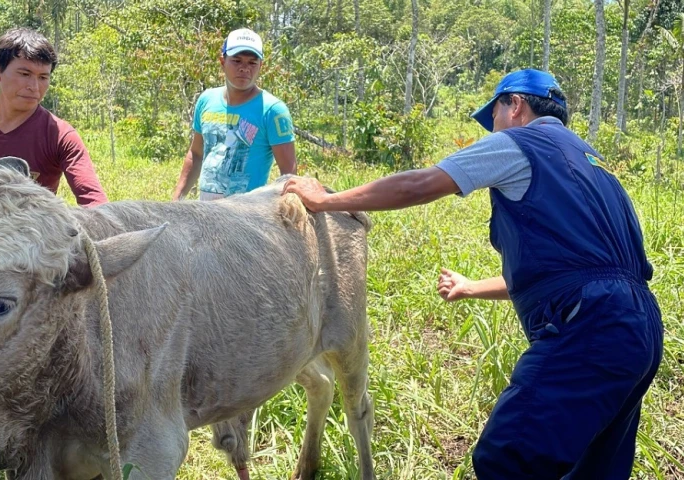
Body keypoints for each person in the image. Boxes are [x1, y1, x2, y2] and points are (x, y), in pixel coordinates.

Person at [283, 69, 663, 479]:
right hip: (639, 331)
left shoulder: (521, 141)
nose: (494, 127)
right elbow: (583, 275)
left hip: (588, 329)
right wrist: (469, 288)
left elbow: (419, 184)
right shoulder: (597, 167)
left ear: (514, 105)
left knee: (506, 459)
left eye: (494, 115)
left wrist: (326, 200)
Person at [0, 28, 108, 207]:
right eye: (25, 74)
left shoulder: (60, 135)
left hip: (32, 233)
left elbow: (95, 204)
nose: (34, 86)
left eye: (43, 77)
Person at [172, 28, 297, 201]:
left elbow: (289, 174)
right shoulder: (207, 100)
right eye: (237, 61)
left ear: (261, 65)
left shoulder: (273, 110)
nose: (244, 69)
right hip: (204, 213)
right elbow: (196, 153)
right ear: (222, 61)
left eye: (252, 63)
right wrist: (177, 199)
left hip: (247, 216)